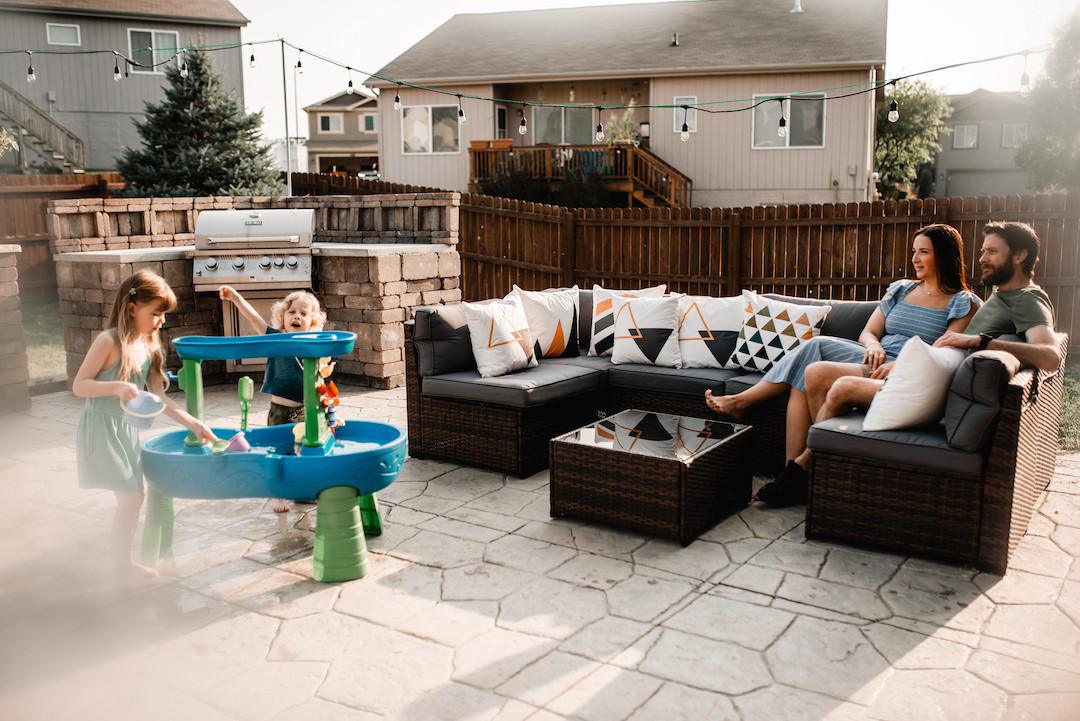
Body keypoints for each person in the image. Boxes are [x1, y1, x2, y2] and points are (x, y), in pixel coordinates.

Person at [705, 223, 981, 506]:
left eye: (924, 252)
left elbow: (943, 352)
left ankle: (792, 470)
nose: (915, 259)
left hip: (902, 369)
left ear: (944, 255)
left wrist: (901, 365)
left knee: (810, 372)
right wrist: (874, 345)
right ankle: (794, 469)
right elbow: (869, 332)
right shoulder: (901, 289)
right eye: (914, 251)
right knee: (814, 347)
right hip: (872, 357)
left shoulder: (963, 302)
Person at [811, 221, 1062, 447]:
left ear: (1020, 256)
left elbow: (1051, 357)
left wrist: (980, 341)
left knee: (842, 386)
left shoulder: (1028, 299)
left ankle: (806, 465)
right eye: (983, 251)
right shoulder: (1003, 294)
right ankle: (807, 464)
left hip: (934, 392)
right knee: (819, 373)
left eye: (992, 252)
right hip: (928, 378)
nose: (982, 259)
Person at [74, 271, 217, 588]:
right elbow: (79, 385)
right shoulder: (108, 341)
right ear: (131, 308)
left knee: (133, 498)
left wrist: (194, 424)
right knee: (130, 499)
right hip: (101, 427)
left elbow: (160, 399)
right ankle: (121, 566)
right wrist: (115, 386)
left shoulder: (149, 346)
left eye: (164, 314)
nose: (162, 321)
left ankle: (122, 563)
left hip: (124, 429)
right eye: (155, 313)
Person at [219, 285, 329, 512]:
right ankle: (280, 495)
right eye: (292, 312)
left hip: (305, 409)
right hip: (279, 409)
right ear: (283, 317)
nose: (297, 316)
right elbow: (254, 318)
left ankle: (303, 492)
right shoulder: (275, 338)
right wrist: (236, 298)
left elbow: (321, 373)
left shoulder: (313, 344)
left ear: (312, 321)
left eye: (303, 313)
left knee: (304, 452)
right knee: (280, 453)